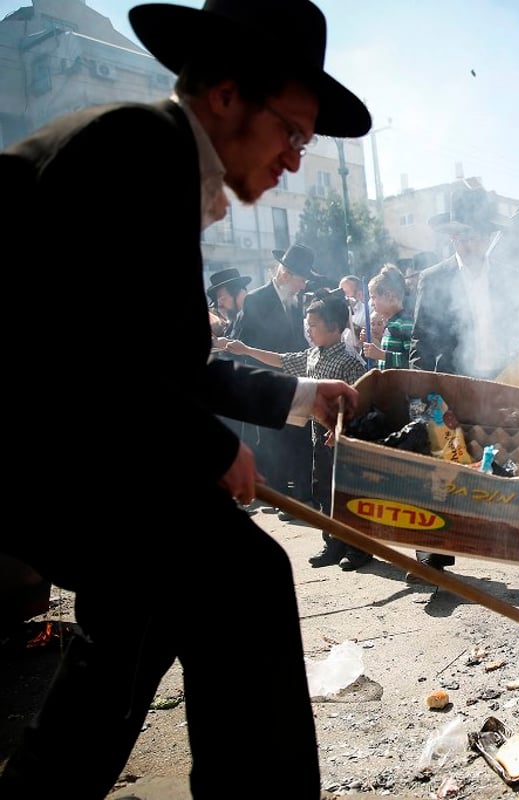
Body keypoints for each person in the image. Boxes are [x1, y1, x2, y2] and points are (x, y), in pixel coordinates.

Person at [0, 1, 369, 797]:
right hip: (29, 440)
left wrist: (300, 396)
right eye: (293, 132)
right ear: (228, 95)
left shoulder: (159, 161)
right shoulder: (137, 150)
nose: (297, 161)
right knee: (244, 580)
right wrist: (209, 448)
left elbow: (163, 362)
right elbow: (78, 346)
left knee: (140, 613)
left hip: (54, 443)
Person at [409, 184, 519, 575]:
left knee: (500, 456)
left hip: (498, 379)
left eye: (478, 234)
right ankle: (434, 545)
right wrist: (421, 387)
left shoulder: (506, 276)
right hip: (450, 384)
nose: (470, 242)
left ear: (489, 236)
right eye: (462, 234)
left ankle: (500, 533)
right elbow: (420, 338)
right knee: (444, 461)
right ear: (451, 235)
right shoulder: (433, 279)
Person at [226, 288, 370, 570]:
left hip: (344, 442)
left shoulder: (351, 361)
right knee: (323, 494)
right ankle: (333, 543)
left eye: (313, 325)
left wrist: (342, 428)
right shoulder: (312, 355)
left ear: (334, 327)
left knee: (347, 496)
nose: (308, 329)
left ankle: (359, 549)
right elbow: (282, 360)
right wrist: (246, 350)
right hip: (319, 438)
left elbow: (361, 403)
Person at [233, 242, 324, 516]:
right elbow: (244, 345)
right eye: (301, 279)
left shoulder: (296, 301)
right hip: (266, 382)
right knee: (273, 443)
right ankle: (279, 496)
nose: (303, 285)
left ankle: (300, 496)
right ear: (285, 274)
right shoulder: (255, 300)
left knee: (296, 439)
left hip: (294, 380)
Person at [361, 264, 413, 369]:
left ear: (389, 296)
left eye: (373, 297)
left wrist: (382, 355)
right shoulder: (390, 324)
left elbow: (411, 360)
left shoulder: (404, 324)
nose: (371, 304)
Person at [206, 267, 251, 338]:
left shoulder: (256, 319)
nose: (219, 303)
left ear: (240, 294)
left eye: (222, 297)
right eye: (216, 299)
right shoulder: (228, 327)